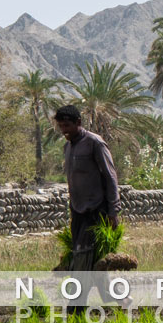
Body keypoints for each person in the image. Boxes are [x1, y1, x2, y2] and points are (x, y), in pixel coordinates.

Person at [54, 105, 121, 271]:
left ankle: (77, 296)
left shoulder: (95, 143)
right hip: (77, 210)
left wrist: (113, 211)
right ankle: (118, 296)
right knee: (87, 258)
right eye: (61, 126)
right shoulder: (68, 147)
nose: (64, 131)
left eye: (67, 126)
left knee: (85, 256)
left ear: (78, 122)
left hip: (96, 210)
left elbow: (110, 176)